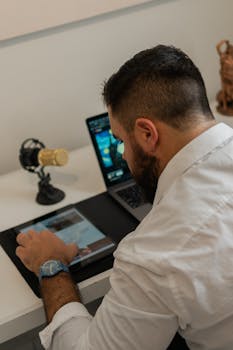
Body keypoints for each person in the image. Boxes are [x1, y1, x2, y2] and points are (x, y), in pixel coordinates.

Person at [16, 45, 233, 350]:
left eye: (120, 141)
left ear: (147, 134)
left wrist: (51, 265)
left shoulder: (155, 254)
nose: (123, 154)